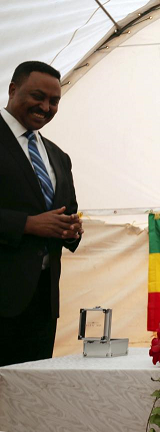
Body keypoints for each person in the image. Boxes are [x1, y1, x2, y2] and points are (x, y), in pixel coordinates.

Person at [0, 61, 83, 366]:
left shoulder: (58, 156)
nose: (45, 107)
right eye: (38, 96)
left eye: (54, 101)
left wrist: (71, 230)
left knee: (30, 399)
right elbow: (35, 222)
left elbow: (67, 211)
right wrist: (27, 224)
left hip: (42, 302)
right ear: (12, 90)